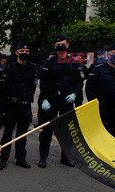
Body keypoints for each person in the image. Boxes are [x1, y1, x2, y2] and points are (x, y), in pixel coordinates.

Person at [37, 33, 83, 168]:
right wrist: (44, 99)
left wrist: (75, 94)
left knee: (67, 131)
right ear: (55, 46)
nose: (61, 47)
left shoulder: (74, 62)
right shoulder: (49, 62)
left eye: (63, 44)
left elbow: (79, 82)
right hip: (51, 101)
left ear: (68, 45)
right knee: (47, 130)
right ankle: (43, 157)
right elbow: (43, 82)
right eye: (58, 45)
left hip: (67, 101)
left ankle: (66, 157)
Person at [0, 41, 37, 169]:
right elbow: (3, 88)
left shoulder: (32, 68)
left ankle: (20, 158)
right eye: (22, 51)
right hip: (11, 106)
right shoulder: (9, 68)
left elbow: (33, 86)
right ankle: (3, 158)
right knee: (7, 134)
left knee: (22, 134)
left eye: (26, 51)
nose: (24, 53)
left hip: (25, 105)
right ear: (16, 53)